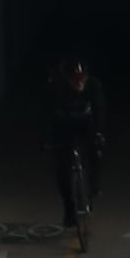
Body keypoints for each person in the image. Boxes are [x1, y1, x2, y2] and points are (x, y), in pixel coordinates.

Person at [42, 52, 107, 238]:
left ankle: (93, 188)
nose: (79, 83)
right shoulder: (56, 88)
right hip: (63, 127)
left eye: (82, 78)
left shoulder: (93, 86)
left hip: (86, 125)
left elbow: (100, 110)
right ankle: (69, 208)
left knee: (95, 151)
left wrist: (100, 133)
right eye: (74, 79)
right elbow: (45, 115)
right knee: (62, 168)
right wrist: (46, 139)